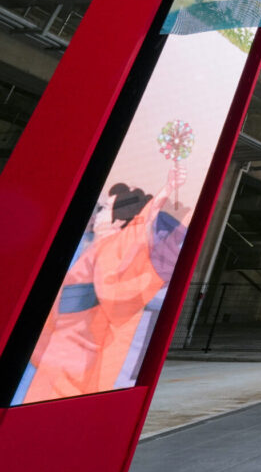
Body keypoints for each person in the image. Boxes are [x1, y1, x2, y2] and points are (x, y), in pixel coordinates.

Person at [18, 164, 189, 403]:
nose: (98, 214)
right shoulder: (99, 245)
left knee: (43, 402)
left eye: (106, 209)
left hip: (68, 348)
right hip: (60, 343)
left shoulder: (110, 250)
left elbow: (141, 224)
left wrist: (167, 191)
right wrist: (166, 189)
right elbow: (143, 221)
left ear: (119, 222)